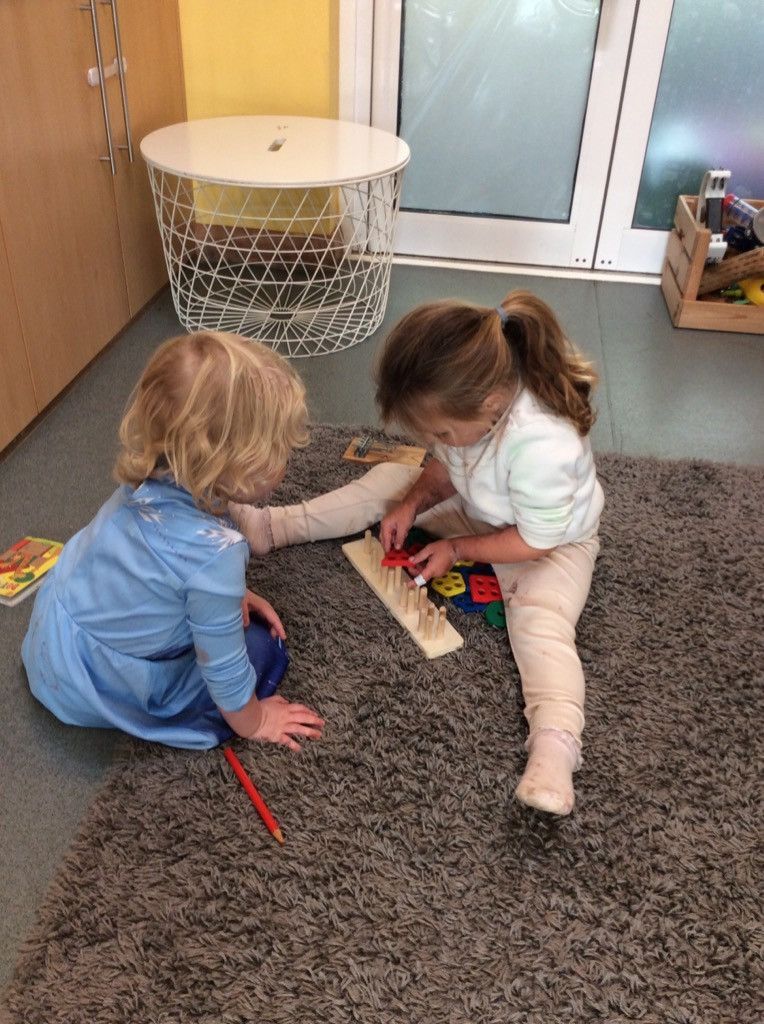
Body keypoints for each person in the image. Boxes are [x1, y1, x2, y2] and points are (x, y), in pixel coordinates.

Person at [231, 291, 603, 814]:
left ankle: (555, 748)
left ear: (490, 406)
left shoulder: (545, 446)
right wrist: (413, 501)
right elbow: (447, 465)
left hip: (550, 542)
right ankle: (273, 526)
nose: (436, 440)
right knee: (387, 481)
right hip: (485, 509)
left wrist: (455, 547)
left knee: (540, 622)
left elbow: (533, 540)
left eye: (441, 432)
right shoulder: (470, 408)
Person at [22, 331, 325, 752]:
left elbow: (157, 564)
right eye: (277, 448)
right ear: (229, 462)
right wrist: (256, 721)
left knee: (234, 619)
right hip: (96, 681)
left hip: (55, 634)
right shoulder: (216, 555)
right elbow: (223, 668)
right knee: (262, 648)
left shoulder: (152, 474)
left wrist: (230, 595)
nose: (288, 458)